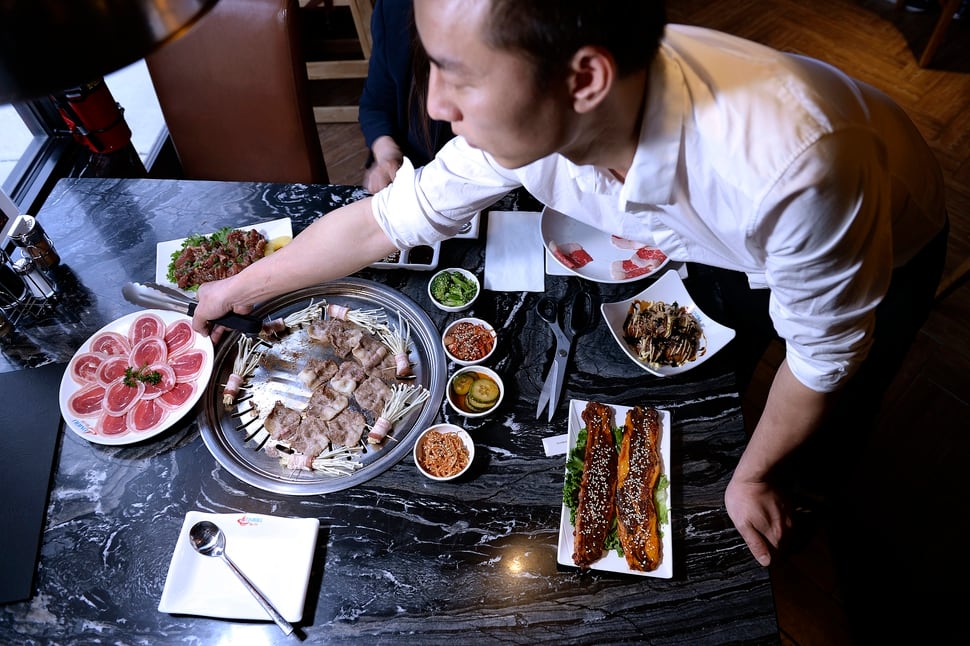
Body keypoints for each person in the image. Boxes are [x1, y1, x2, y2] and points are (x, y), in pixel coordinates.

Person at [193, 0, 947, 573]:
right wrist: (243, 288)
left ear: (584, 77)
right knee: (722, 369)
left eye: (459, 75)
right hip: (717, 238)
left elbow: (821, 359)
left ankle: (809, 500)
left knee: (828, 422)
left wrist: (753, 477)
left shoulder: (792, 167)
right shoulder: (537, 120)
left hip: (880, 243)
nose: (435, 106)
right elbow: (379, 223)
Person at [358, 0, 452, 193]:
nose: (434, 108)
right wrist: (387, 153)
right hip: (414, 175)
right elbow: (375, 105)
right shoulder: (393, 8)